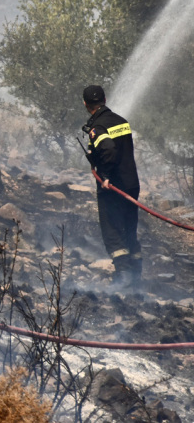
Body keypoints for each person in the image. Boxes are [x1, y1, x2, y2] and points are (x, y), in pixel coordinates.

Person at [82, 85, 142, 287]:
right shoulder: (122, 121)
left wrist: (105, 176)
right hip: (131, 184)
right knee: (130, 228)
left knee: (112, 230)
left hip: (113, 188)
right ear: (105, 99)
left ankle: (124, 276)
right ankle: (136, 275)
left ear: (85, 104)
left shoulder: (97, 127)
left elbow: (108, 149)